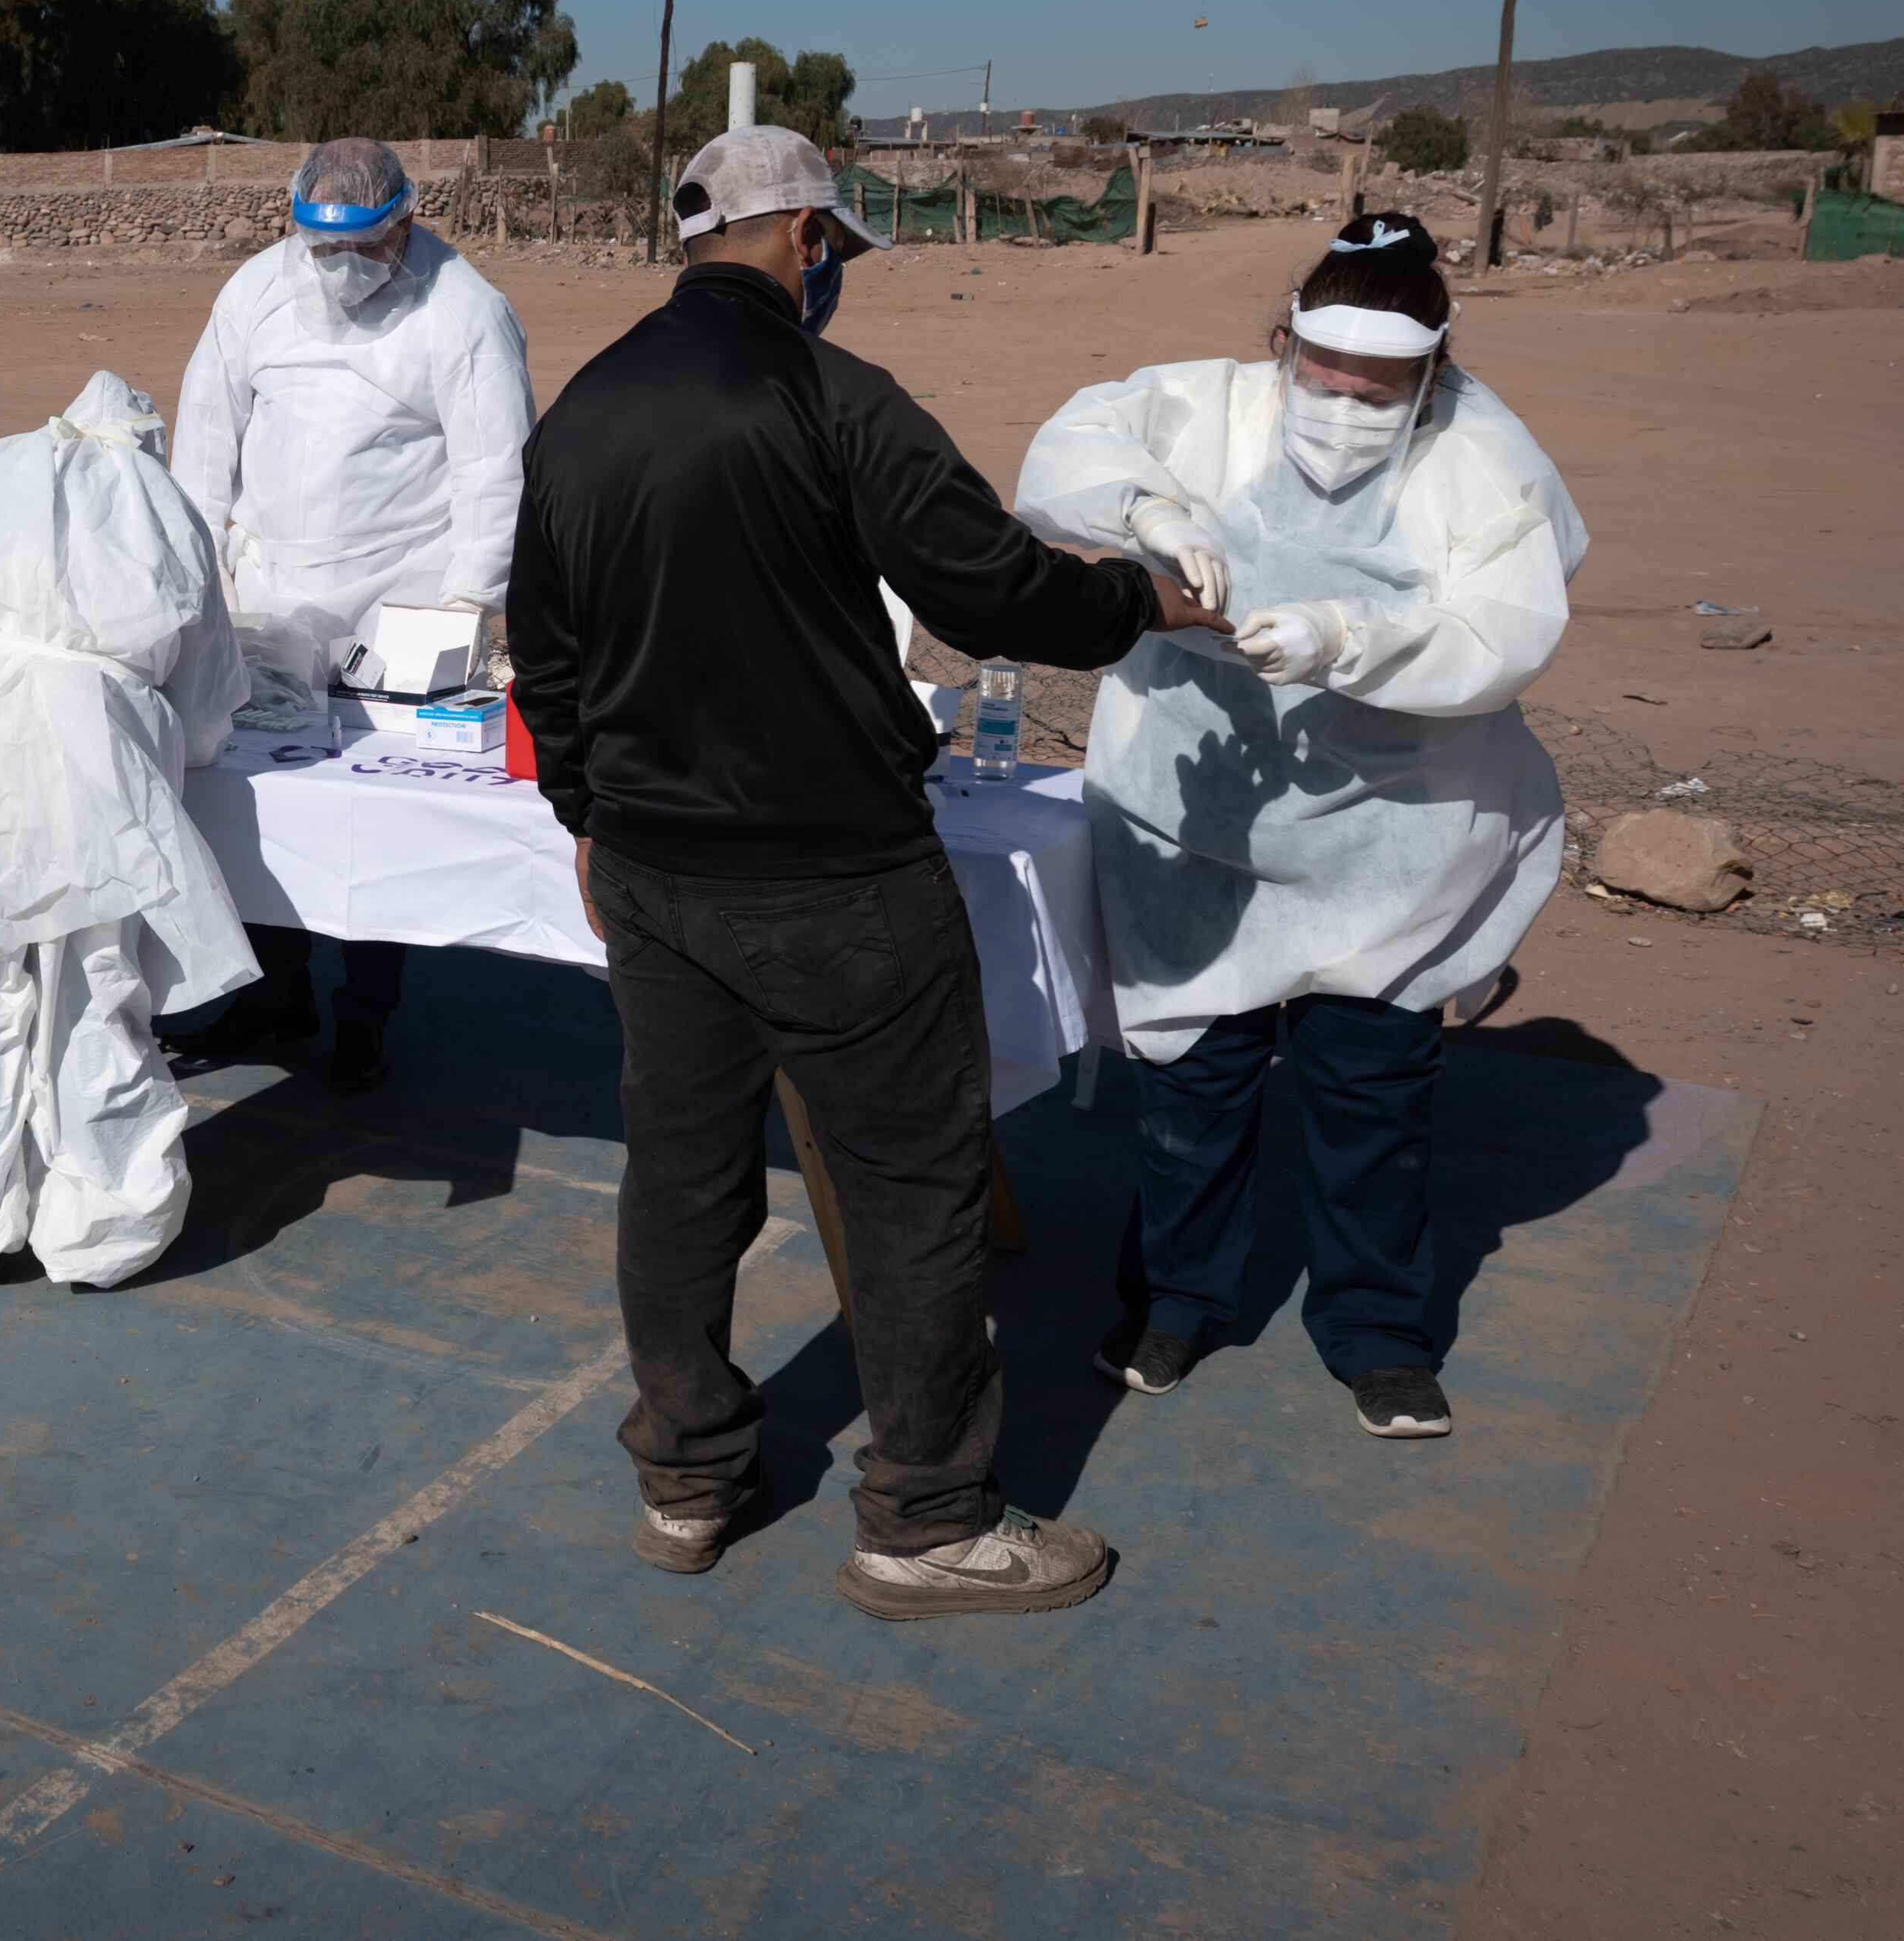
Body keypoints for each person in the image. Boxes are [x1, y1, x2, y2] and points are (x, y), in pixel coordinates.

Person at [507, 125, 1229, 1619]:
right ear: (806, 240)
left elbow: (550, 651)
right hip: (832, 872)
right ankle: (927, 1517)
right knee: (908, 1185)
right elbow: (989, 585)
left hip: (650, 864)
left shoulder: (578, 412)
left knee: (683, 1169)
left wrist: (588, 809)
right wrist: (1143, 600)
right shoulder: (837, 400)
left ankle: (687, 1473)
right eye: (833, 246)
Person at [1012, 214, 1585, 1440]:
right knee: (1192, 1084)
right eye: (1323, 378)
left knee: (1369, 1088)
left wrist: (1347, 640)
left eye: (1381, 390)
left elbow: (1506, 628)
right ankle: (1178, 1297)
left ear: (1434, 373)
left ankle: (1379, 1329)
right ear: (1286, 344)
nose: (1345, 407)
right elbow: (1068, 451)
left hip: (1387, 835)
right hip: (1197, 821)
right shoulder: (1209, 407)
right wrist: (1155, 515)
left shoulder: (1483, 458)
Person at [163, 135, 536, 1088]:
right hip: (267, 596)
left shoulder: (463, 312)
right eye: (320, 251)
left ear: (404, 225)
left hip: (398, 601)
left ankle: (365, 1006)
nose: (338, 272)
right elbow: (207, 443)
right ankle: (272, 988)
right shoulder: (254, 294)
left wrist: (463, 608)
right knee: (250, 801)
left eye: (362, 250)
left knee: (375, 817)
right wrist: (195, 574)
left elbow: (495, 473)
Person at [0, 373, 254, 1290]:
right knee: (92, 989)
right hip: (90, 747)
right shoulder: (157, 499)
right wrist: (192, 742)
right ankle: (104, 1233)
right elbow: (205, 684)